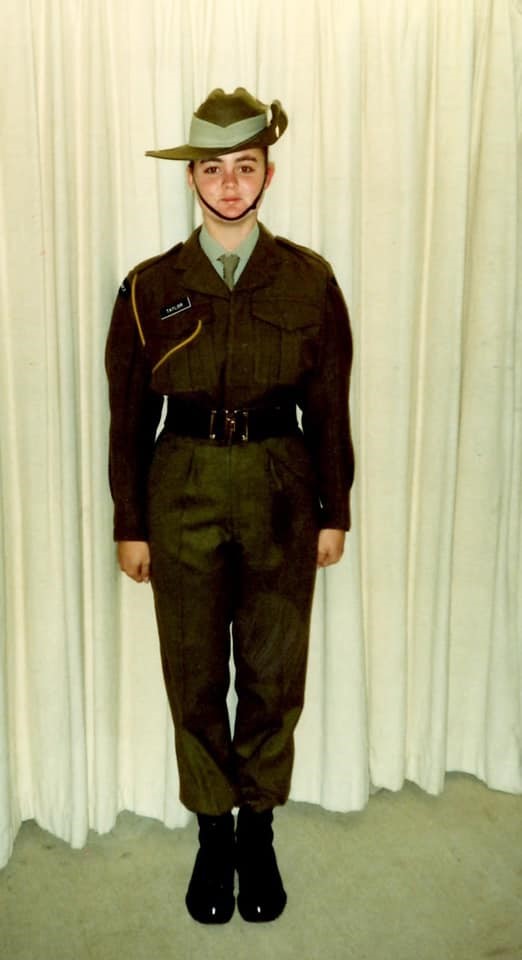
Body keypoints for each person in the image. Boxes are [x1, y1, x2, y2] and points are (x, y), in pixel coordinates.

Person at [105, 87, 354, 925]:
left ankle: (259, 828)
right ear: (193, 180)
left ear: (268, 173)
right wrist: (129, 523)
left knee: (276, 669)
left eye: (245, 167)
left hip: (283, 481)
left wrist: (334, 507)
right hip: (182, 484)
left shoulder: (309, 280)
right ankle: (214, 833)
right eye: (212, 168)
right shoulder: (149, 287)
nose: (229, 183)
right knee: (194, 668)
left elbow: (330, 403)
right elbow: (128, 416)